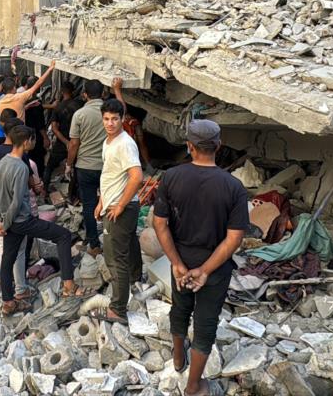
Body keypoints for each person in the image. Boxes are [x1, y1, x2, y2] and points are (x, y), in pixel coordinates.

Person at [154, 120, 248, 396]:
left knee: (180, 308)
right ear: (218, 146)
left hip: (180, 260)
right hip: (215, 269)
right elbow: (234, 238)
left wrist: (177, 263)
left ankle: (178, 358)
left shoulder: (171, 177)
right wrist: (205, 270)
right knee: (206, 322)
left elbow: (160, 224)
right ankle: (194, 386)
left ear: (189, 146)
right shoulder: (233, 187)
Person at [0, 125, 91, 316]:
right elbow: (17, 200)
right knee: (63, 235)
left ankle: (8, 303)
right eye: (33, 139)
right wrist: (5, 223)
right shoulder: (21, 167)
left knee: (7, 260)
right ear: (26, 141)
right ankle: (68, 284)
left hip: (8, 222)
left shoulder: (3, 161)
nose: (34, 142)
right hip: (21, 221)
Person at [93, 99, 144, 323]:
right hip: (114, 202)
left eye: (115, 119)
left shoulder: (125, 143)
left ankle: (118, 309)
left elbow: (136, 176)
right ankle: (134, 280)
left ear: (123, 119)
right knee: (129, 244)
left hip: (121, 207)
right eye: (106, 119)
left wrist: (120, 205)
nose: (110, 123)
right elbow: (110, 174)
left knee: (115, 258)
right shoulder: (108, 142)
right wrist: (101, 201)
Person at [67, 79, 107, 256]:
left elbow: (74, 144)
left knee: (89, 206)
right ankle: (113, 240)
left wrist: (69, 164)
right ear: (103, 93)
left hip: (84, 167)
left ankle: (94, 244)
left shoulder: (80, 114)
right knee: (111, 203)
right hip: (107, 166)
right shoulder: (110, 112)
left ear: (84, 95)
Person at [43, 81, 82, 194]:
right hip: (77, 143)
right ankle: (73, 194)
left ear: (61, 92)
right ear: (73, 91)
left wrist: (66, 142)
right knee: (76, 169)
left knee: (49, 167)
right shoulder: (79, 105)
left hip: (61, 142)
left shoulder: (58, 107)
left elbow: (54, 128)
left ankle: (44, 190)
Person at [23, 76, 50, 181]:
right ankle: (38, 180)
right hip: (35, 136)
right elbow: (40, 124)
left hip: (25, 134)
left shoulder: (22, 99)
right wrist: (45, 138)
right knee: (38, 159)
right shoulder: (36, 104)